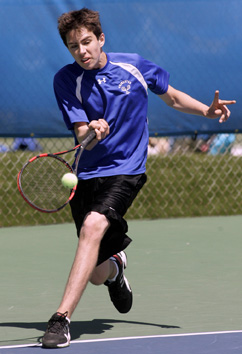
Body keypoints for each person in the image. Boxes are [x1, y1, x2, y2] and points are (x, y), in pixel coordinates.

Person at [42, 8, 236, 348]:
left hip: (126, 170)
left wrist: (206, 110)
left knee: (92, 227)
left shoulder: (133, 66)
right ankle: (115, 270)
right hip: (88, 173)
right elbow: (81, 132)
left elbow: (172, 97)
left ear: (101, 40)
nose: (82, 51)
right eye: (74, 47)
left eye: (87, 42)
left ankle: (60, 320)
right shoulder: (65, 79)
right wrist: (93, 132)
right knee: (97, 273)